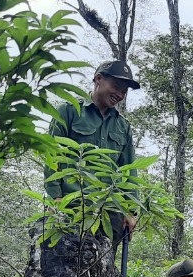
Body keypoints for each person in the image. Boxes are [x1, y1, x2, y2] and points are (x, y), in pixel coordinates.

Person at [44, 60, 141, 255]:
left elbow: (130, 169)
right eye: (116, 87)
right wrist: (55, 198)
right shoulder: (69, 111)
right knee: (65, 273)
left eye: (124, 91)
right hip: (71, 207)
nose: (120, 95)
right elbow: (51, 155)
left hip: (109, 213)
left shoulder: (123, 126)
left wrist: (131, 210)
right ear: (98, 79)